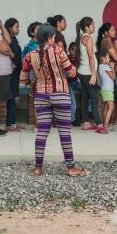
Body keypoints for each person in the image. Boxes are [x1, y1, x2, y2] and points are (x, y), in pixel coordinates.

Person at [20, 24, 88, 177]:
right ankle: (71, 168)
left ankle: (38, 168)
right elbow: (72, 72)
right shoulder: (58, 51)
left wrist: (36, 82)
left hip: (41, 96)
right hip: (61, 95)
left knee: (42, 131)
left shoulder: (30, 55)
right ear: (50, 37)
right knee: (64, 132)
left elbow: (23, 79)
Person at [74, 17, 100, 131]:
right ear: (87, 27)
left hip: (82, 72)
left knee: (85, 98)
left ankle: (85, 123)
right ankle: (100, 124)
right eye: (92, 25)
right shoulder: (88, 38)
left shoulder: (81, 38)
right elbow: (90, 56)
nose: (94, 27)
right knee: (95, 99)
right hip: (88, 73)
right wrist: (94, 74)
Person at [4, 18, 24, 132]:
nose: (18, 29)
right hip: (11, 72)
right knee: (12, 97)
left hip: (16, 72)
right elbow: (12, 56)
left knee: (15, 96)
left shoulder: (14, 39)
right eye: (16, 27)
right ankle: (9, 124)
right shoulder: (8, 40)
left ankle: (13, 122)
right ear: (10, 28)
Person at [96, 49, 115, 134]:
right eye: (107, 57)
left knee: (106, 108)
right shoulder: (106, 67)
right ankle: (105, 127)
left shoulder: (100, 66)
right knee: (111, 107)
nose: (109, 59)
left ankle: (104, 125)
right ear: (102, 58)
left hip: (104, 89)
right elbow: (113, 77)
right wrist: (112, 68)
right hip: (108, 89)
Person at [66, 42, 83, 125]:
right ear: (69, 50)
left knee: (91, 90)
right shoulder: (66, 59)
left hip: (75, 82)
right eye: (72, 50)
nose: (74, 52)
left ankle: (89, 115)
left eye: (76, 50)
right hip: (68, 83)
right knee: (72, 102)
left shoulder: (78, 60)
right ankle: (72, 120)